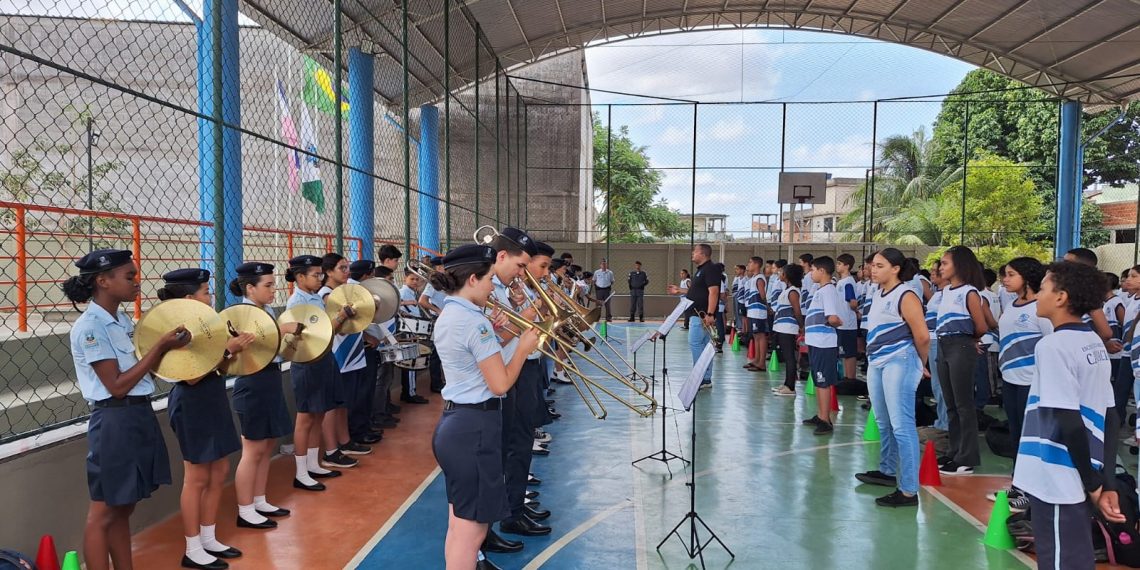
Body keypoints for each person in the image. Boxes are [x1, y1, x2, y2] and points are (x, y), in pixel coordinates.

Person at [64, 249, 190, 570]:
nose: (137, 281)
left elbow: (141, 371)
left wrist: (169, 347)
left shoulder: (121, 320)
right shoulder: (91, 327)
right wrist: (159, 346)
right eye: (129, 276)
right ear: (103, 281)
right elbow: (117, 385)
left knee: (123, 507)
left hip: (136, 414)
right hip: (114, 419)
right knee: (103, 512)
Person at [429, 243, 540, 570]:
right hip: (474, 429)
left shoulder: (454, 313)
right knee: (471, 532)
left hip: (456, 425)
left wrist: (506, 332)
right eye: (490, 279)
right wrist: (523, 347)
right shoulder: (472, 322)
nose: (494, 286)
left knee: (458, 523)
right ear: (474, 279)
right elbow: (501, 384)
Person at [1013, 261, 1121, 570]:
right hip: (1081, 470)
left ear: (1060, 297)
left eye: (1044, 288)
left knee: (1060, 560)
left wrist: (1093, 484)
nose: (1039, 295)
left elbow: (1068, 420)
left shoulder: (1053, 346)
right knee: (1075, 555)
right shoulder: (1093, 343)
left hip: (1057, 474)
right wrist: (1106, 481)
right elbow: (1110, 416)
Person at [157, 269, 253, 570]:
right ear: (189, 298)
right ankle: (192, 546)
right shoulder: (176, 333)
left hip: (212, 398)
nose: (210, 296)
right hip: (192, 403)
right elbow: (193, 376)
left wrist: (231, 352)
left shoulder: (204, 326)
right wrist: (227, 349)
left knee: (219, 469)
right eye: (205, 291)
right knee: (197, 477)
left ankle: (209, 537)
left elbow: (216, 369)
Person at [854, 248, 930, 508]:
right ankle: (887, 471)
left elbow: (922, 335)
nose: (873, 270)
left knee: (902, 425)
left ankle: (909, 491)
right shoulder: (878, 293)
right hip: (877, 362)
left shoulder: (906, 294)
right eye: (872, 265)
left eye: (879, 265)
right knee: (883, 421)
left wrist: (921, 363)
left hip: (900, 360)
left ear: (895, 269)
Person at [229, 262, 295, 531]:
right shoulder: (240, 314)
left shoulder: (265, 311)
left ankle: (259, 499)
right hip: (252, 382)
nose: (273, 290)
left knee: (267, 444)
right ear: (249, 288)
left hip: (270, 376)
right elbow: (255, 340)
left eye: (272, 283)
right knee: (253, 449)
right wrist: (285, 329)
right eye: (267, 285)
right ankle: (245, 509)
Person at [285, 255, 356, 488]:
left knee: (319, 414)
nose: (320, 278)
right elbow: (320, 332)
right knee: (305, 418)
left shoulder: (314, 297)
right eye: (315, 275)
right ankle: (300, 471)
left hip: (323, 359)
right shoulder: (298, 302)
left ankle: (314, 463)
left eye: (320, 274)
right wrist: (341, 316)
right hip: (307, 363)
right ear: (300, 277)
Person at [987, 257, 1051, 512]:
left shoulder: (1041, 309)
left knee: (1031, 436)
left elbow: (1051, 344)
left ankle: (1031, 491)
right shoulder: (1011, 305)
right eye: (1005, 274)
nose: (1005, 279)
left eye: (1011, 274)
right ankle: (1019, 484)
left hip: (1032, 383)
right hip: (1011, 381)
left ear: (1027, 277)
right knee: (1016, 433)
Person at [935, 246, 994, 476]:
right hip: (944, 345)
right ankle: (954, 451)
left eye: (945, 263)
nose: (941, 267)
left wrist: (971, 340)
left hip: (961, 345)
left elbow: (981, 325)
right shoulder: (946, 291)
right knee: (951, 404)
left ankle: (966, 457)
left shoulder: (969, 292)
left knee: (963, 404)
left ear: (959, 265)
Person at [319, 253, 372, 465]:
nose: (347, 271)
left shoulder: (345, 291)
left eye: (347, 267)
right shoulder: (326, 294)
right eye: (342, 268)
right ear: (329, 272)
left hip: (353, 352)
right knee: (334, 404)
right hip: (339, 353)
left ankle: (345, 440)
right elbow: (336, 325)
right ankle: (331, 450)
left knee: (344, 403)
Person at [666, 244, 723, 389]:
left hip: (701, 315)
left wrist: (710, 314)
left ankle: (700, 376)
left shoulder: (710, 269)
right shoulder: (701, 271)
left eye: (695, 251)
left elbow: (714, 292)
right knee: (703, 347)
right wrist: (679, 290)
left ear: (702, 254)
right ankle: (705, 378)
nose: (692, 254)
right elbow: (696, 291)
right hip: (697, 315)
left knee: (696, 344)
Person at [801, 256, 843, 434]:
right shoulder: (820, 290)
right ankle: (821, 414)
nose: (811, 273)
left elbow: (832, 317)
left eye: (813, 270)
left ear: (822, 271)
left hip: (824, 343)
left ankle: (826, 420)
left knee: (823, 381)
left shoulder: (828, 291)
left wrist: (838, 323)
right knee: (818, 381)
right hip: (815, 342)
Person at [771, 264, 804, 396]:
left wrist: (802, 326)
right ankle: (786, 384)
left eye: (782, 272)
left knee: (790, 357)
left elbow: (797, 311)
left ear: (787, 275)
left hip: (788, 328)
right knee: (786, 356)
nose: (780, 273)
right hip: (781, 327)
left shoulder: (793, 291)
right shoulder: (787, 289)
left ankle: (790, 387)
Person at [835, 254, 860, 384]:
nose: (837, 266)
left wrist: (856, 311)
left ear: (847, 266)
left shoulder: (848, 282)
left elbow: (853, 302)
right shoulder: (841, 281)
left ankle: (851, 378)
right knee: (844, 352)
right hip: (841, 323)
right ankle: (846, 377)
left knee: (850, 352)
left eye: (840, 263)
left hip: (847, 324)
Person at [743, 256, 768, 371]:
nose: (748, 265)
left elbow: (763, 295)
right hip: (752, 311)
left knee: (760, 336)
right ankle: (757, 359)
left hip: (758, 311)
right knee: (755, 336)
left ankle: (761, 362)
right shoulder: (753, 278)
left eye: (750, 262)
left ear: (757, 265)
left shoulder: (759, 279)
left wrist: (768, 307)